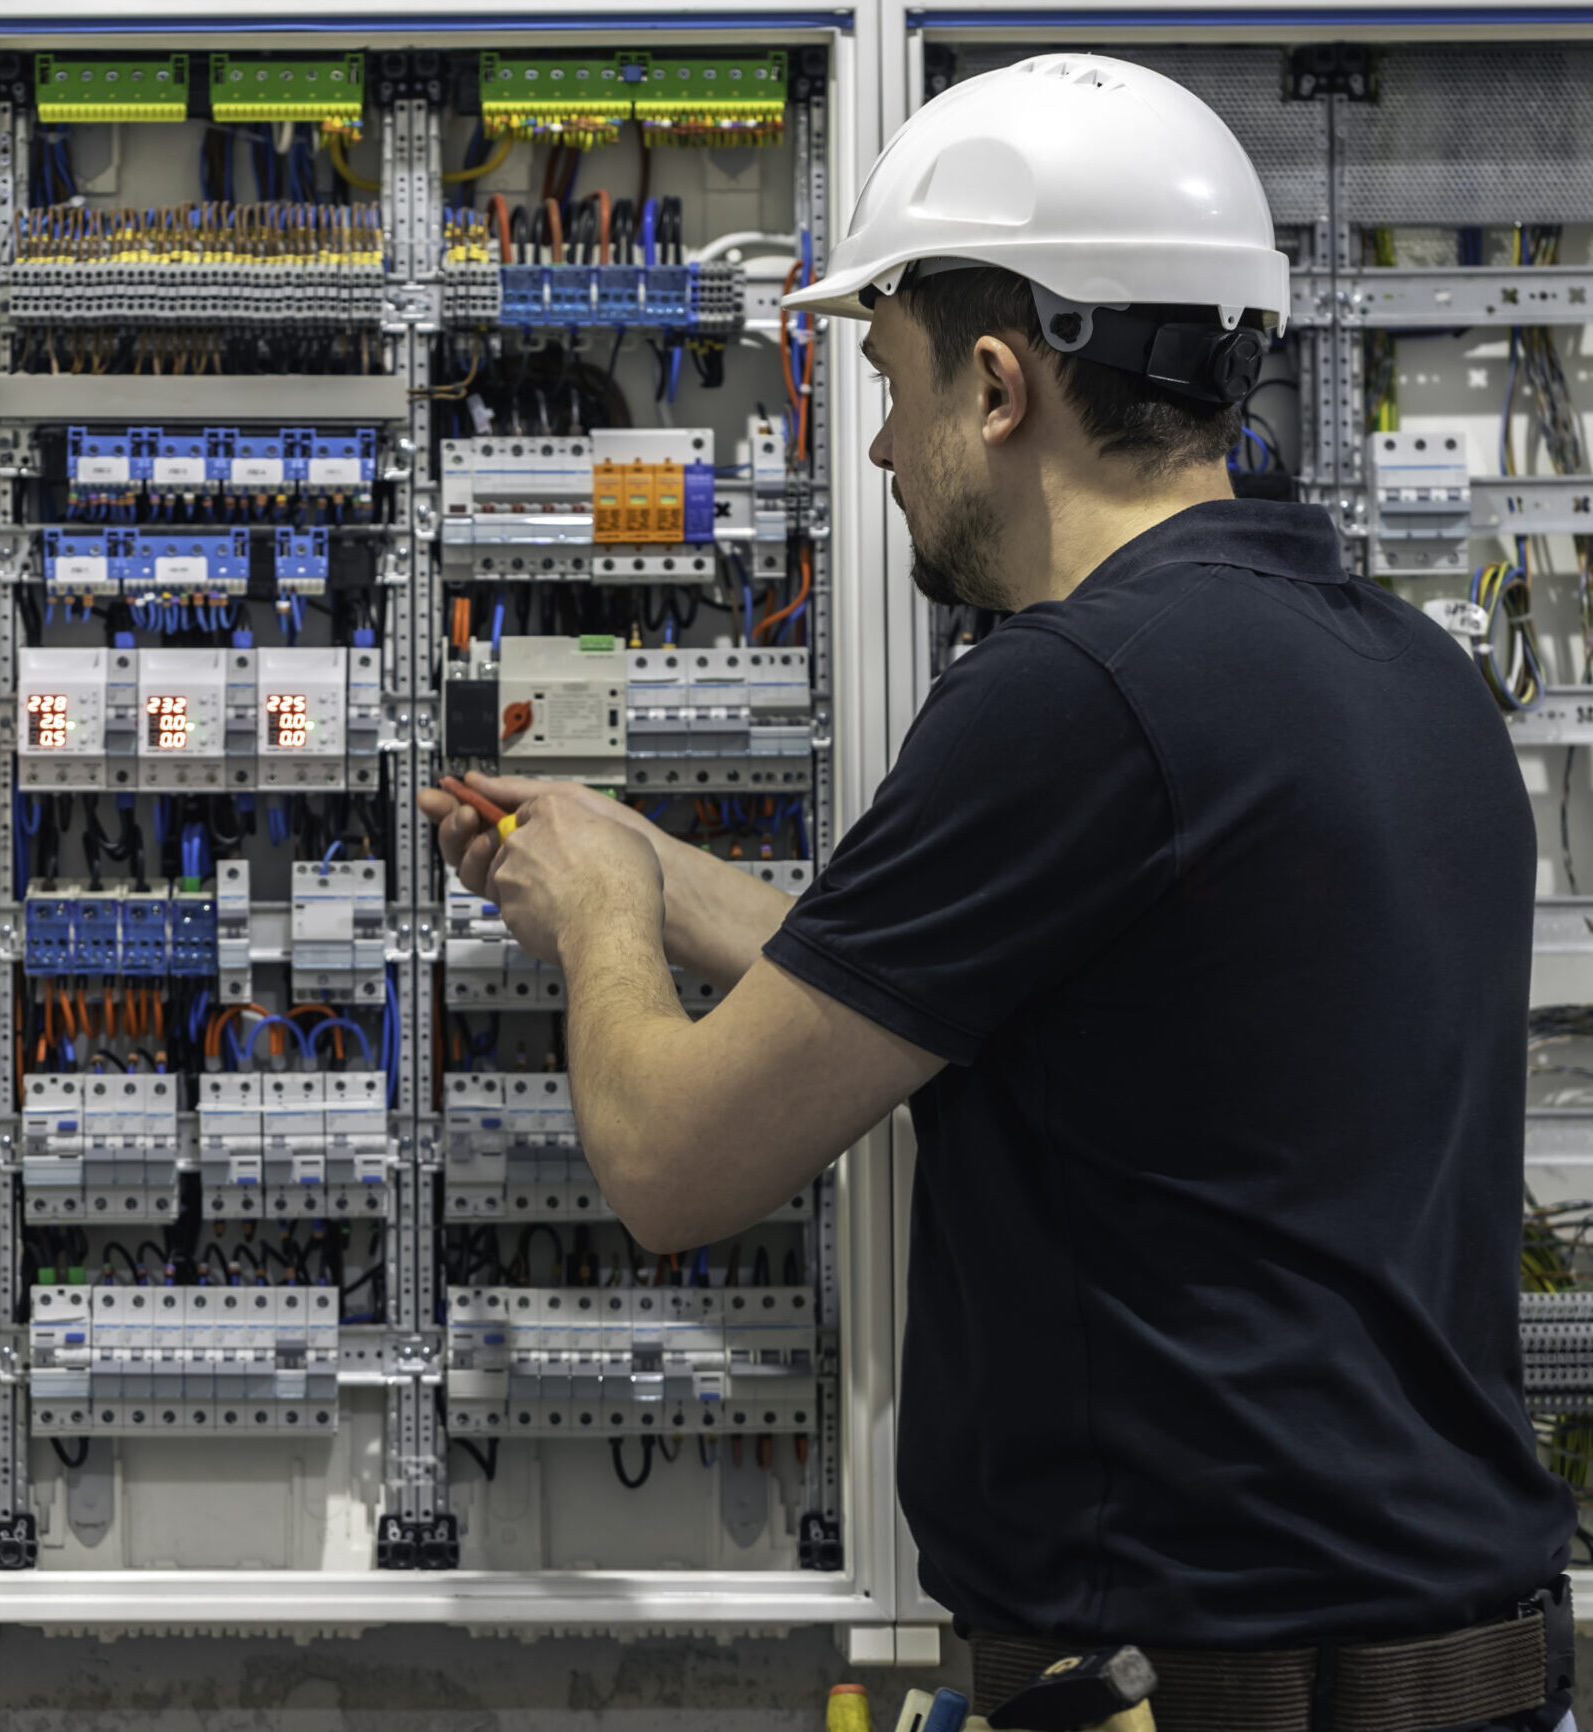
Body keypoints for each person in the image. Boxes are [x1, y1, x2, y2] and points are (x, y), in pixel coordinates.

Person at [419, 53, 1577, 1732]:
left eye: (886, 383)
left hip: (1198, 1694)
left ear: (998, 381)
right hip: (1463, 1676)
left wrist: (598, 923)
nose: (880, 447)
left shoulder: (1076, 695)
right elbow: (970, 999)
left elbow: (675, 1164)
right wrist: (645, 862)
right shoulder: (1398, 671)